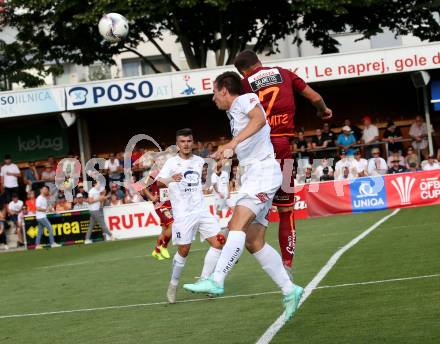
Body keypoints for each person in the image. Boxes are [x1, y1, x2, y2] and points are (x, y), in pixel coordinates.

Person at [184, 72, 303, 321]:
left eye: (214, 92)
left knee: (236, 224)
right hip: (254, 173)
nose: (213, 98)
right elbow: (251, 137)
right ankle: (290, 290)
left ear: (225, 91)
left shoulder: (244, 99)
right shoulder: (234, 113)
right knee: (253, 241)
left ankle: (216, 280)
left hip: (262, 173)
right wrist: (225, 154)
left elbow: (259, 120)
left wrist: (231, 144)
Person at [233, 49, 332, 273]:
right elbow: (315, 98)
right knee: (286, 210)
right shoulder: (285, 73)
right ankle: (287, 263)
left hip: (257, 153)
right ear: (259, 62)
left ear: (242, 70)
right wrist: (323, 111)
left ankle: (229, 250)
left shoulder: (244, 84)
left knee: (247, 208)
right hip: (282, 149)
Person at [157, 128, 225, 304]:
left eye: (188, 141)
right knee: (184, 251)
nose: (186, 144)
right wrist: (172, 179)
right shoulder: (171, 163)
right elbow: (158, 181)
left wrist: (208, 183)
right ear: (177, 144)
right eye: (182, 141)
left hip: (201, 210)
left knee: (219, 242)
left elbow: (200, 180)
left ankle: (206, 280)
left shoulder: (199, 161)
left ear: (192, 143)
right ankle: (173, 284)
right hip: (183, 214)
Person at [144, 158, 173, 261]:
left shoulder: (168, 172)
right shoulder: (154, 173)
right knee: (172, 225)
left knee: (165, 230)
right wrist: (151, 197)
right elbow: (143, 187)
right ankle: (164, 247)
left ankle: (157, 251)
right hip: (160, 204)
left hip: (168, 203)